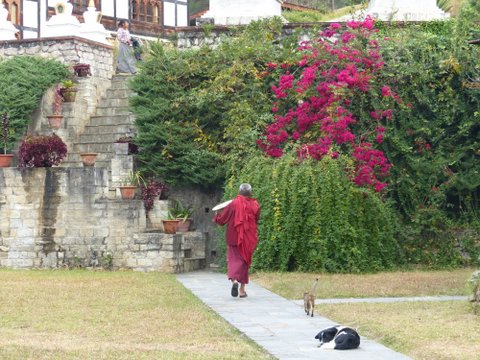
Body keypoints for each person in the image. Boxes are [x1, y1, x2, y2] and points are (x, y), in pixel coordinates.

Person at [214, 183, 260, 298]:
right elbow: (256, 219)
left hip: (233, 237)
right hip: (248, 238)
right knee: (244, 262)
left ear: (239, 192)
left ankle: (234, 281)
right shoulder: (255, 204)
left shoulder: (234, 203)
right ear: (250, 193)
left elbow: (222, 220)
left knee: (233, 260)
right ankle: (242, 290)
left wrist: (216, 215)